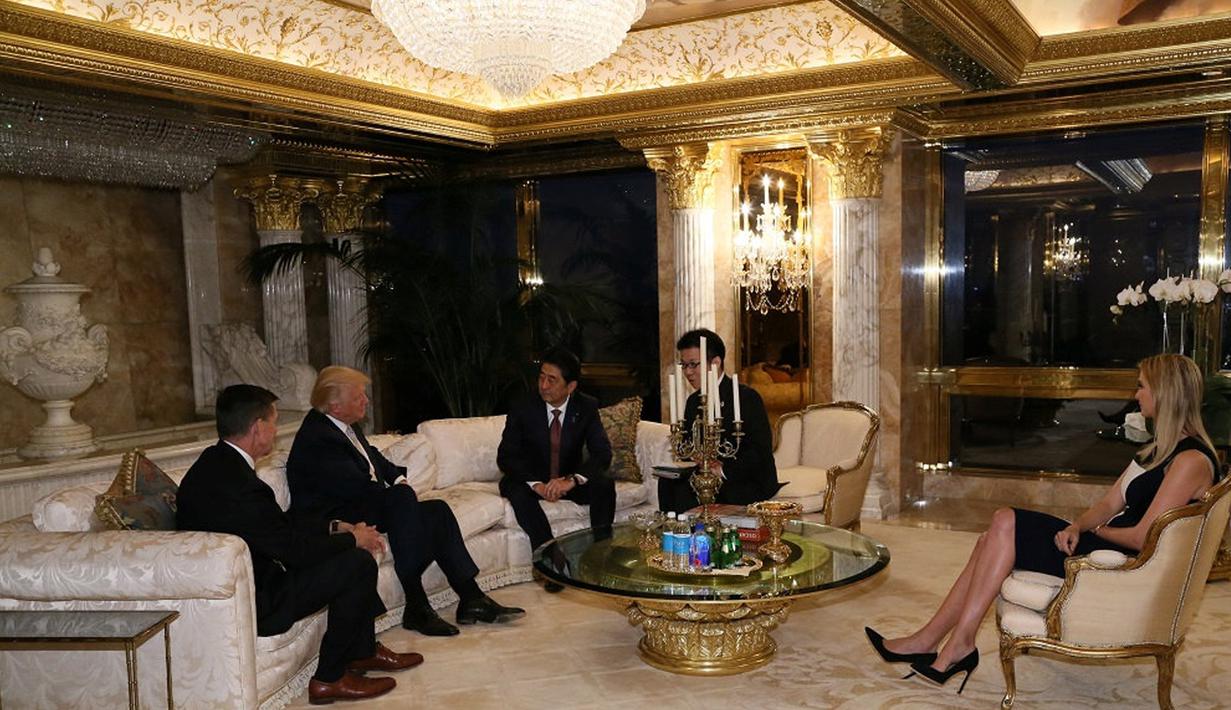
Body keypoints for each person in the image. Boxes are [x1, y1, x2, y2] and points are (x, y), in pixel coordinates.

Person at [866, 353, 1223, 694]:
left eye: (1142, 386)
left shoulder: (1190, 460)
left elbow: (1144, 536)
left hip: (1120, 562)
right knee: (992, 537)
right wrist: (1077, 527)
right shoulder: (1158, 449)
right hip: (1102, 543)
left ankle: (954, 642)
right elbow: (1109, 502)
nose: (1136, 393)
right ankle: (933, 640)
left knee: (1004, 520)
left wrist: (1095, 532)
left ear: (1165, 394)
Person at [177, 385, 422, 705]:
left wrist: (333, 527)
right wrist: (353, 538)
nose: (276, 431)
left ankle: (361, 652)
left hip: (253, 578)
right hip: (257, 599)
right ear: (257, 428)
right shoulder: (237, 486)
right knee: (357, 563)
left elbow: (274, 526)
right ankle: (330, 679)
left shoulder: (216, 465)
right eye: (274, 422)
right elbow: (292, 551)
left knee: (346, 552)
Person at [286, 366, 524, 637]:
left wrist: (399, 480)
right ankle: (416, 602)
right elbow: (355, 487)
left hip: (358, 501)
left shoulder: (341, 425)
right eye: (358, 397)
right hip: (337, 518)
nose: (366, 400)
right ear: (336, 406)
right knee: (402, 502)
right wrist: (402, 496)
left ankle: (471, 597)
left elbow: (371, 455)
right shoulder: (318, 438)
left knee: (437, 511)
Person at [497, 347, 615, 592]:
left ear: (570, 387)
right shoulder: (523, 405)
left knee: (604, 484)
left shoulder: (587, 406)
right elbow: (506, 456)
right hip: (530, 480)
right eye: (541, 376)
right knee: (515, 490)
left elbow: (602, 453)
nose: (544, 385)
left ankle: (601, 555)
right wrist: (537, 485)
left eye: (552, 380)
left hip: (565, 480)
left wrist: (571, 480)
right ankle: (550, 559)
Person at [658, 328, 781, 514]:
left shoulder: (746, 398)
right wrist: (694, 456)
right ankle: (675, 539)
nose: (687, 372)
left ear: (715, 362)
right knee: (668, 483)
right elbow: (687, 446)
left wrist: (722, 469)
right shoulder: (693, 401)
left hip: (743, 478)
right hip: (706, 474)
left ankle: (698, 539)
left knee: (695, 492)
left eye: (693, 364)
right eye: (684, 365)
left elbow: (759, 452)